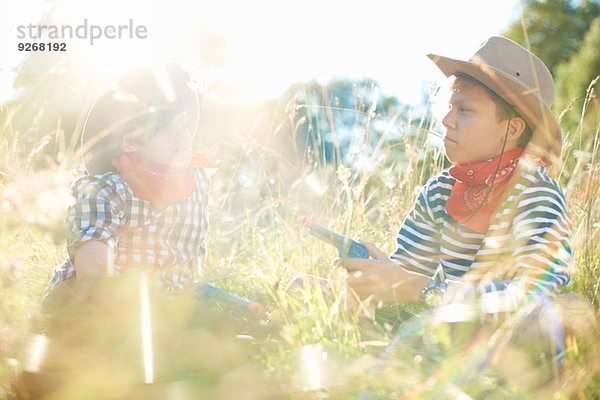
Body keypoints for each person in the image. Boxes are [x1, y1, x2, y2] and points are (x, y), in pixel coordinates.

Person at [341, 36, 571, 316]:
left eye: (465, 110)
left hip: (505, 342)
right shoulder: (440, 191)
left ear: (511, 130)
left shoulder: (537, 194)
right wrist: (375, 276)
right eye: (450, 107)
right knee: (304, 286)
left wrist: (421, 289)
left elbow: (539, 294)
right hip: (437, 328)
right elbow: (408, 275)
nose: (446, 120)